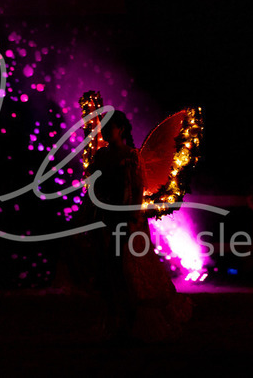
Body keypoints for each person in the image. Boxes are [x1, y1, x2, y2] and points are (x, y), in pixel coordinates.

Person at [82, 110, 193, 343]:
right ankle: (116, 321)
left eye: (110, 127)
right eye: (103, 127)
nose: (105, 131)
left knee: (128, 269)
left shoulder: (131, 156)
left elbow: (137, 188)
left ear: (121, 129)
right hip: (105, 217)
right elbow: (94, 186)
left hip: (127, 218)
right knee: (108, 268)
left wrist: (130, 217)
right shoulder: (101, 156)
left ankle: (133, 323)